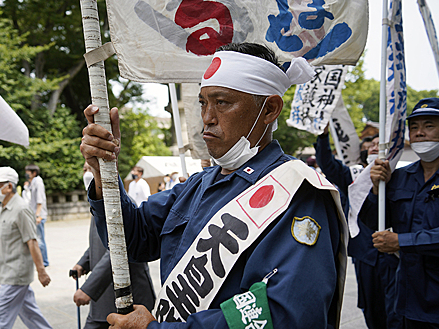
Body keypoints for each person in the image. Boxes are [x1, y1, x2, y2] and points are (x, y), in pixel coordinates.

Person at [80, 42, 347, 328]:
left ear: (269, 109)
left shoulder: (299, 193)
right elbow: (133, 239)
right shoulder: (198, 185)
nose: (207, 118)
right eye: (203, 103)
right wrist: (104, 173)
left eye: (222, 102)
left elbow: (284, 314)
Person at [360, 97, 439, 328]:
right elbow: (372, 222)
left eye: (429, 126)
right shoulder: (399, 176)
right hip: (405, 296)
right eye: (414, 127)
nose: (419, 133)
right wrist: (377, 190)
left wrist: (401, 241)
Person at [315, 125, 400, 329]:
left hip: (394, 252)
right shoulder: (354, 174)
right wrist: (323, 135)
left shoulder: (400, 175)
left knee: (396, 307)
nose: (374, 147)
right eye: (371, 145)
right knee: (371, 306)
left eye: (380, 145)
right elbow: (327, 164)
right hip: (365, 253)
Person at [72, 164, 156, 329]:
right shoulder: (97, 202)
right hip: (103, 297)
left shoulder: (121, 204)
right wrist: (83, 263)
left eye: (93, 168)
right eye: (84, 170)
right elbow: (102, 242)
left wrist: (89, 288)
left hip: (125, 294)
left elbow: (118, 249)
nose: (88, 174)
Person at [0, 167, 52, 329]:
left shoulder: (21, 209)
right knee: (31, 315)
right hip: (6, 272)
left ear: (8, 187)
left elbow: (32, 241)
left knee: (1, 317)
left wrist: (41, 271)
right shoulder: (2, 208)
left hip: (15, 274)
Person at [25, 164, 49, 268]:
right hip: (35, 214)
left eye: (28, 172)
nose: (26, 174)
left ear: (34, 172)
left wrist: (38, 215)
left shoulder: (38, 182)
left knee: (40, 239)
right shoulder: (33, 182)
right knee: (37, 239)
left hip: (38, 214)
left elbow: (40, 200)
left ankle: (44, 262)